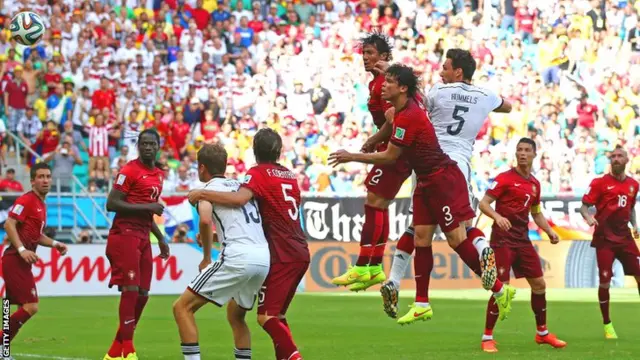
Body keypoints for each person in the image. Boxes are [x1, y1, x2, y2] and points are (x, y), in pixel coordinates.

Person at [328, 64, 515, 325]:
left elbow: (391, 156)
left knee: (456, 240)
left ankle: (500, 290)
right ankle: (422, 304)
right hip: (426, 181)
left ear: (402, 88)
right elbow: (412, 87)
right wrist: (384, 66)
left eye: (390, 81)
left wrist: (352, 156)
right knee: (421, 238)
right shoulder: (407, 107)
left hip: (443, 180)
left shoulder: (409, 117)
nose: (384, 84)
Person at [379, 48, 513, 318]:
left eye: (445, 67)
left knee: (435, 232)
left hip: (432, 161)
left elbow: (413, 102)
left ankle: (401, 283)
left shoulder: (439, 92)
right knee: (440, 229)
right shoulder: (485, 94)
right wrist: (487, 106)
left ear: (458, 72)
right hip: (459, 164)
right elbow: (507, 106)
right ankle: (421, 299)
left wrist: (391, 75)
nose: (441, 72)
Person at [188, 128, 308, 360]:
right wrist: (214, 238)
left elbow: (239, 199)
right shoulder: (290, 176)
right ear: (279, 151)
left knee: (267, 318)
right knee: (277, 317)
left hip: (280, 253)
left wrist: (203, 194)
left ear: (255, 151)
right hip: (298, 249)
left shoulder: (258, 173)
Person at [173, 144, 270, 360]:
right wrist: (216, 237)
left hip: (237, 257)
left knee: (182, 308)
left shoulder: (206, 191)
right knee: (237, 316)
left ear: (201, 168)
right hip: (262, 258)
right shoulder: (242, 188)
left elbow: (205, 220)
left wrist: (207, 257)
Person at [331, 33, 412, 292]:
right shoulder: (377, 83)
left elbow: (395, 120)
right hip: (391, 146)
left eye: (371, 53)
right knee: (380, 205)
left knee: (373, 203)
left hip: (396, 149)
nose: (365, 58)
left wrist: (375, 138)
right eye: (363, 53)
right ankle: (374, 268)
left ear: (385, 57)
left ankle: (364, 264)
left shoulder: (385, 85)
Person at [478, 137, 566, 352]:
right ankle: (487, 337)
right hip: (502, 240)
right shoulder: (504, 178)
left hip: (523, 240)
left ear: (535, 154)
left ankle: (542, 333)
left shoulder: (535, 184)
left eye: (527, 150)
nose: (522, 153)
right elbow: (483, 203)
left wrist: (550, 231)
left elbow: (536, 213)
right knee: (502, 289)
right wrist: (497, 217)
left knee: (539, 285)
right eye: (519, 150)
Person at [103, 129, 171, 360]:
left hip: (143, 236)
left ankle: (115, 349)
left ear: (158, 146)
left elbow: (147, 211)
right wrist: (148, 208)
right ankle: (128, 349)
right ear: (138, 146)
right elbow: (111, 203)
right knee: (130, 289)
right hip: (125, 234)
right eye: (144, 144)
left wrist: (161, 238)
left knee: (143, 293)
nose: (148, 147)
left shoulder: (159, 175)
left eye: (152, 143)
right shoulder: (129, 170)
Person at [1, 163, 68, 346]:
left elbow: (35, 235)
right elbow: (9, 224)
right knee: (31, 306)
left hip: (20, 261)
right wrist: (22, 250)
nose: (45, 180)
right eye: (40, 177)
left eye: (47, 176)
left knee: (10, 306)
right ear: (32, 181)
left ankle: (4, 350)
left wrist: (55, 244)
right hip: (15, 258)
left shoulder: (40, 204)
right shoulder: (27, 200)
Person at [580, 145, 640, 340]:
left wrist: (635, 225)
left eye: (619, 156)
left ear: (626, 160)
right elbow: (584, 207)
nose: (615, 159)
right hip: (605, 240)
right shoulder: (599, 183)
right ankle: (607, 324)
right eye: (612, 156)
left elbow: (629, 207)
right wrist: (589, 218)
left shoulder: (633, 184)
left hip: (625, 238)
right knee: (605, 281)